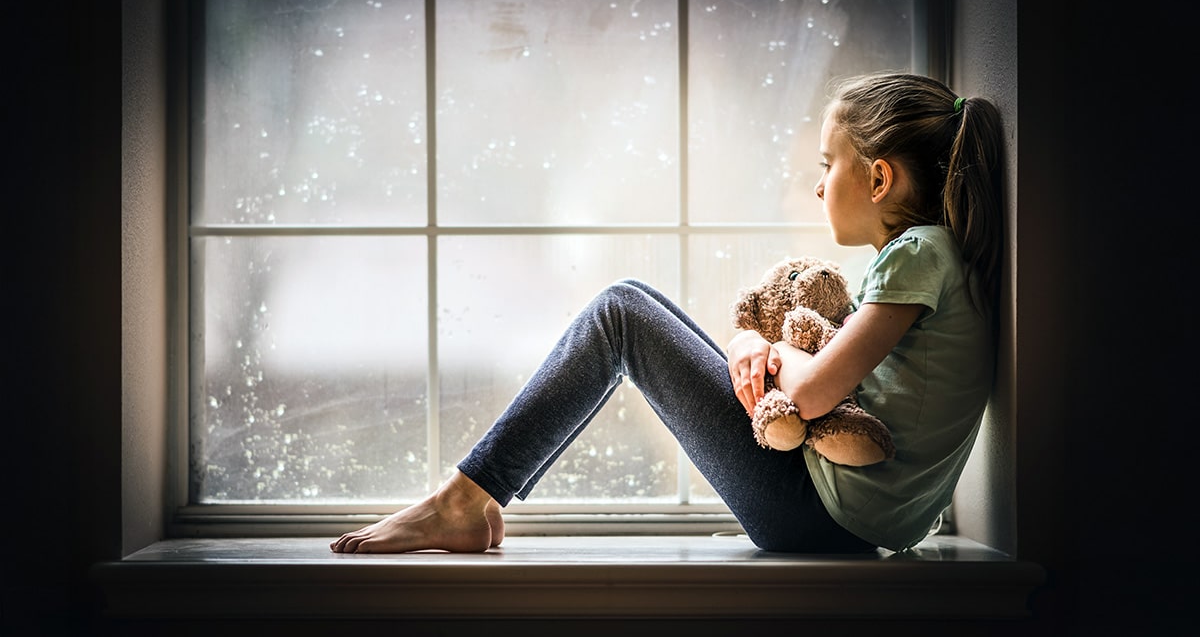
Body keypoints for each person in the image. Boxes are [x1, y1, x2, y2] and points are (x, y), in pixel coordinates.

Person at [329, 72, 1005, 555]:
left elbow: (817, 386)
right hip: (835, 512)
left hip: (818, 517)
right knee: (631, 297)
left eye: (829, 164)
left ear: (880, 178)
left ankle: (460, 501)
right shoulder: (938, 258)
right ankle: (467, 498)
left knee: (620, 312)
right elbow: (842, 379)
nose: (820, 183)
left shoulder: (918, 252)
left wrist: (776, 356)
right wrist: (748, 340)